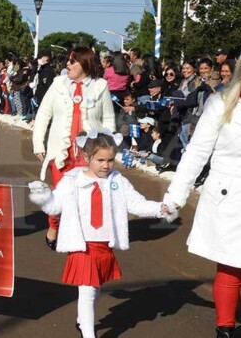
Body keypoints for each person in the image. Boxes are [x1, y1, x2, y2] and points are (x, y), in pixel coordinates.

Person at [29, 131, 175, 338]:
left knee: (95, 287)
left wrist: (161, 208)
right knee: (87, 290)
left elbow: (137, 204)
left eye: (110, 160)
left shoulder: (117, 180)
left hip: (103, 244)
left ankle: (82, 320)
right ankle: (88, 334)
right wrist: (43, 196)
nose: (106, 165)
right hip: (83, 244)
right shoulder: (71, 180)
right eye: (100, 160)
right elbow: (54, 206)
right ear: (87, 158)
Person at [162, 62, 241, 338]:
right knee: (232, 265)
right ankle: (226, 329)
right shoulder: (221, 103)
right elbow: (196, 152)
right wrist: (175, 197)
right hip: (230, 196)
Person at [33, 47, 116, 250]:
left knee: (87, 196)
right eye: (68, 61)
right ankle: (54, 226)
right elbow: (43, 114)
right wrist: (38, 143)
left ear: (85, 64)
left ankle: (83, 235)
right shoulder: (58, 84)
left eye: (72, 61)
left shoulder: (100, 86)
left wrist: (109, 149)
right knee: (59, 195)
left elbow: (108, 119)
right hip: (62, 152)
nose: (67, 65)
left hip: (89, 153)